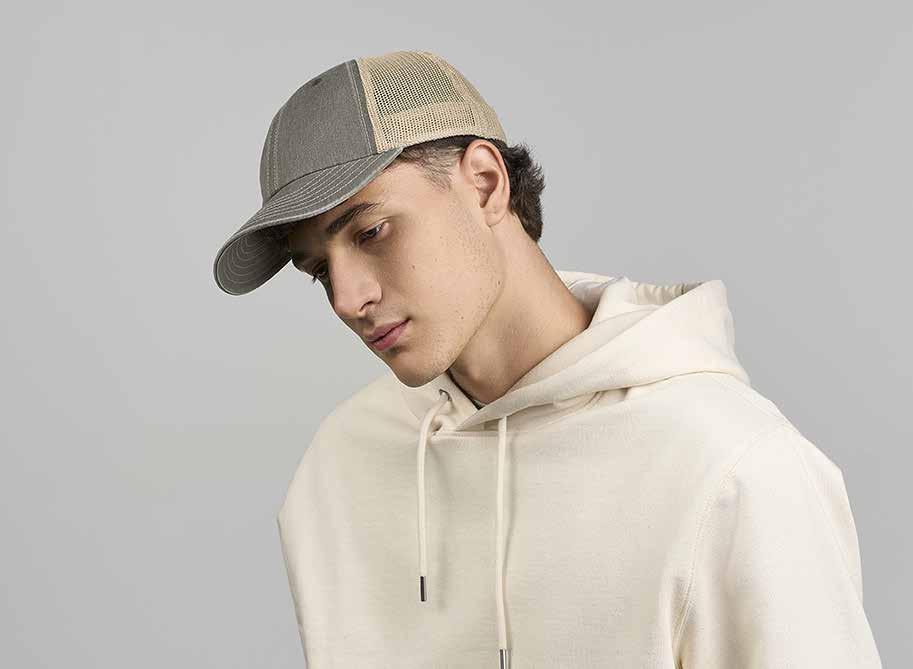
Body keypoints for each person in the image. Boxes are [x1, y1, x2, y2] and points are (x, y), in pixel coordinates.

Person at [212, 50, 883, 668]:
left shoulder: (732, 467)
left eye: (371, 231)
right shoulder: (339, 466)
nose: (347, 298)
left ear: (484, 184)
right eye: (318, 271)